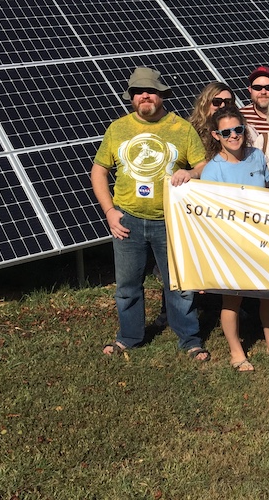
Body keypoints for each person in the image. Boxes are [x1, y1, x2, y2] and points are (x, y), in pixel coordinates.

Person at [90, 67, 209, 360]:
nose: (145, 96)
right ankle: (129, 336)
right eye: (138, 92)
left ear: (161, 95)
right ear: (131, 98)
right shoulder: (118, 129)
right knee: (128, 285)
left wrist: (191, 172)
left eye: (151, 91)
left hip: (171, 221)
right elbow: (99, 170)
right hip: (127, 220)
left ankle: (190, 340)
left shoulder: (181, 128)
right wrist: (109, 211)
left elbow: (204, 165)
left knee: (179, 285)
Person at [201, 107, 269, 371]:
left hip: (262, 239)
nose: (234, 136)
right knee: (233, 298)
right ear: (216, 135)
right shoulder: (212, 171)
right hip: (231, 243)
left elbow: (267, 189)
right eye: (226, 132)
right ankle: (236, 351)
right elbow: (209, 215)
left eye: (238, 129)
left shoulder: (256, 156)